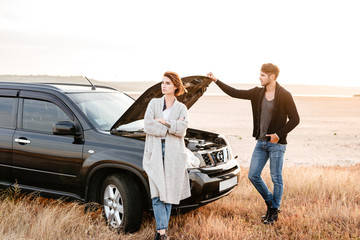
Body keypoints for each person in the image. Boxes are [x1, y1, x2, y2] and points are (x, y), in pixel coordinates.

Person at [207, 63, 300, 224]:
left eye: (263, 75)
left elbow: (295, 119)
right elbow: (235, 93)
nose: (259, 77)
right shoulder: (257, 93)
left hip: (277, 144)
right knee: (253, 175)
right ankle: (272, 206)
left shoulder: (285, 95)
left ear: (272, 77)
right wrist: (216, 80)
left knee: (276, 178)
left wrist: (279, 134)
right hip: (261, 143)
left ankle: (273, 212)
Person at [143, 71, 191, 240]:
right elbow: (148, 125)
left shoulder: (181, 108)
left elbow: (182, 129)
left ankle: (160, 234)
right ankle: (163, 232)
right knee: (156, 192)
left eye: (168, 83)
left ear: (176, 87)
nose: (163, 86)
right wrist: (171, 127)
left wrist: (165, 121)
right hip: (155, 151)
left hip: (173, 154)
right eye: (162, 82)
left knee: (169, 193)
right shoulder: (153, 103)